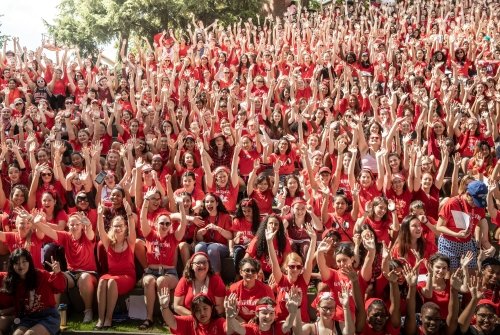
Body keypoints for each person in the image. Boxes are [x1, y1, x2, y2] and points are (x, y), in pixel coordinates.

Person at [138, 189, 186, 330]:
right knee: (148, 280)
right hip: (151, 271)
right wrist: (146, 200)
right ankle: (149, 317)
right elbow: (142, 219)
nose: (165, 226)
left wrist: (181, 205)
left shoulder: (173, 237)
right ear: (156, 224)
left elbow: (183, 223)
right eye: (162, 223)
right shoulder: (150, 234)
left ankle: (166, 316)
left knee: (160, 280)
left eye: (167, 224)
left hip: (170, 273)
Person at [2, 248, 66, 335]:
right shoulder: (13, 281)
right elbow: (18, 306)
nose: (20, 265)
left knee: (30, 334)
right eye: (16, 263)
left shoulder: (42, 275)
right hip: (28, 318)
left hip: (48, 316)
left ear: (29, 262)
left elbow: (60, 288)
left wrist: (58, 273)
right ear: (12, 266)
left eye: (24, 261)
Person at [95, 200, 136, 329]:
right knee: (102, 281)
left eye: (120, 226)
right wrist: (99, 215)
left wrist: (129, 213)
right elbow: (101, 231)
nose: (118, 228)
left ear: (125, 227)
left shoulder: (130, 241)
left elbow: (133, 228)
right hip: (112, 275)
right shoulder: (109, 243)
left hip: (127, 276)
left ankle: (109, 318)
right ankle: (100, 319)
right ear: (112, 227)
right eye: (115, 226)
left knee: (112, 282)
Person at [225, 289, 303, 335]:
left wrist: (292, 313)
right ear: (257, 313)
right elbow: (237, 327)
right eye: (264, 313)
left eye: (271, 313)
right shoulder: (252, 329)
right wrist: (230, 317)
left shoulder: (277, 328)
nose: (268, 316)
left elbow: (288, 324)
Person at [173, 252, 226, 316]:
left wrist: (205, 318)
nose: (202, 265)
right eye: (198, 263)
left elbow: (220, 307)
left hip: (211, 318)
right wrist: (194, 317)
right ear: (192, 265)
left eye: (204, 262)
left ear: (208, 264)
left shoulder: (216, 280)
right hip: (190, 317)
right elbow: (177, 306)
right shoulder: (184, 280)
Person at [159, 288, 226, 334]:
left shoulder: (219, 322)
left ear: (211, 308)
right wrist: (165, 307)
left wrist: (230, 317)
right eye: (197, 310)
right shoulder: (190, 321)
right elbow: (171, 322)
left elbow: (230, 330)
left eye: (205, 308)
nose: (202, 313)